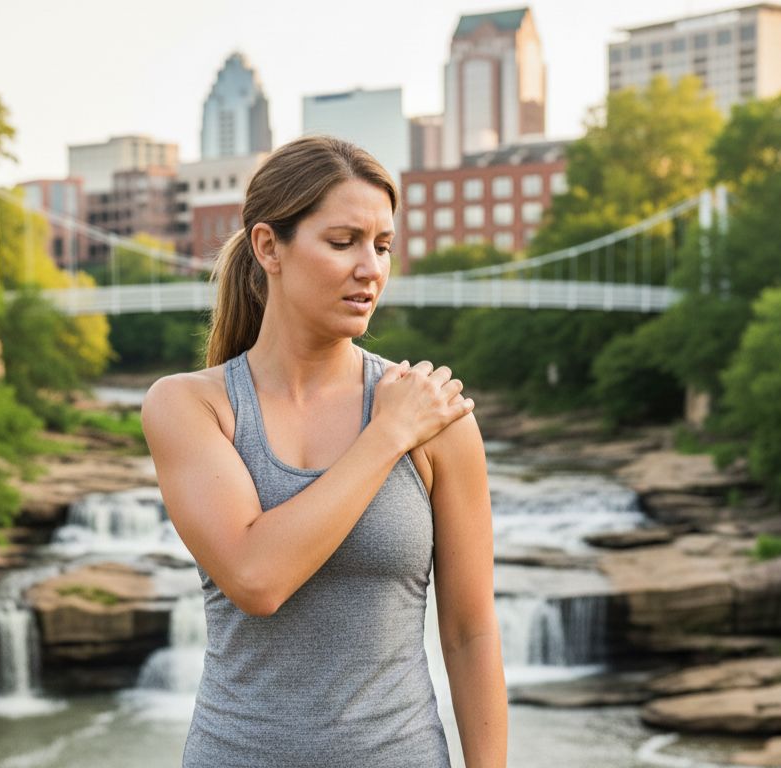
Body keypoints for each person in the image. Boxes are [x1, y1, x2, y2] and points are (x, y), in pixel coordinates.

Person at [141, 135, 507, 767]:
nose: (371, 267)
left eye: (383, 245)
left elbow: (470, 634)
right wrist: (386, 437)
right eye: (344, 243)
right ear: (268, 247)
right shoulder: (190, 407)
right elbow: (257, 578)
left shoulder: (438, 419)